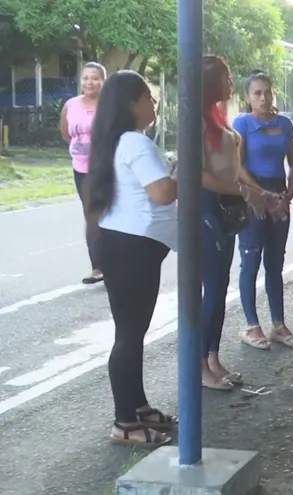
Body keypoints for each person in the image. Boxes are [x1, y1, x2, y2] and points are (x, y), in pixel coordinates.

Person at [86, 71, 178, 446]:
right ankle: (124, 422)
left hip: (124, 245)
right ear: (131, 104)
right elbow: (161, 193)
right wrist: (180, 172)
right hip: (133, 248)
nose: (153, 104)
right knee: (128, 334)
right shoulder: (135, 144)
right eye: (148, 98)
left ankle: (136, 405)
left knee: (133, 332)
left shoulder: (116, 142)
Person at [200, 56, 281, 390]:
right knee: (211, 290)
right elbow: (200, 175)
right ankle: (200, 365)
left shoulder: (218, 118)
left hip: (226, 211)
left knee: (219, 289)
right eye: (226, 76)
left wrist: (251, 193)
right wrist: (244, 191)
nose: (231, 81)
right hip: (207, 212)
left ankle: (213, 359)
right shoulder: (198, 124)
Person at [232, 71, 293, 351]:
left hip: (279, 195)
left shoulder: (284, 125)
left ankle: (278, 323)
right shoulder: (242, 123)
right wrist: (261, 194)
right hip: (253, 196)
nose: (264, 97)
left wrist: (289, 190)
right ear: (248, 98)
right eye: (257, 93)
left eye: (268, 92)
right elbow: (236, 167)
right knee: (251, 259)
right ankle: (252, 325)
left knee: (275, 261)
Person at [61, 61, 106, 285]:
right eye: (86, 77)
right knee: (91, 215)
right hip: (82, 168)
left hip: (107, 168)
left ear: (103, 81)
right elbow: (67, 134)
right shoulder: (71, 105)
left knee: (109, 212)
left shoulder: (109, 104)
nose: (90, 82)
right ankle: (97, 266)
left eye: (95, 77)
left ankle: (114, 261)